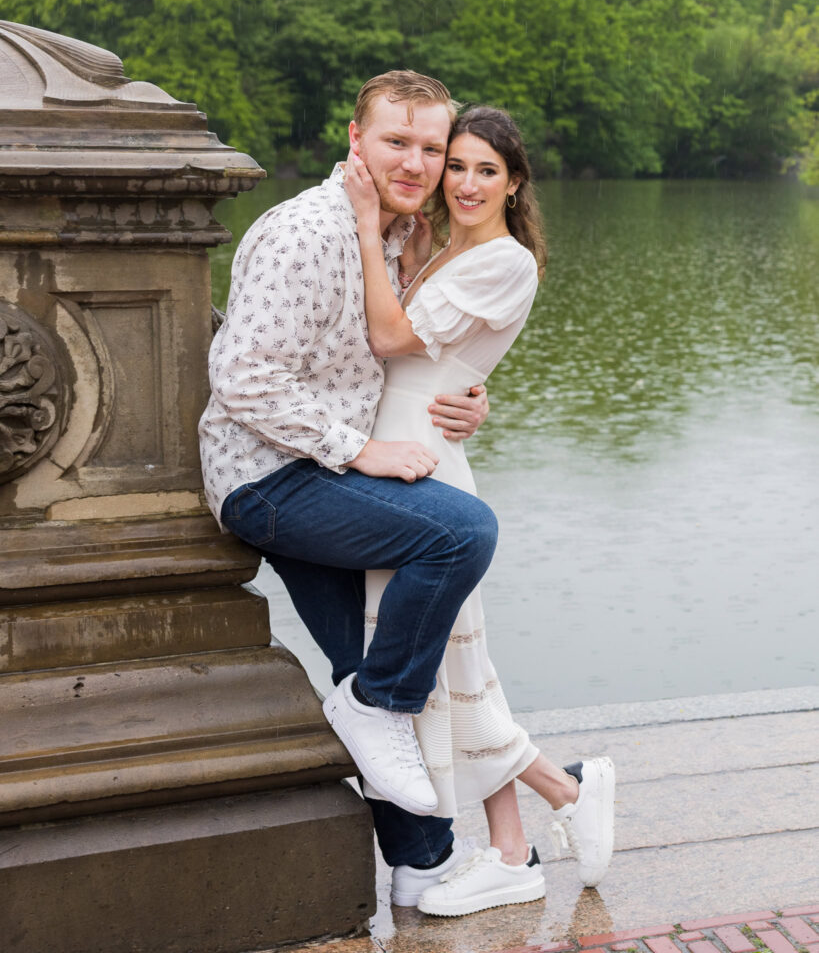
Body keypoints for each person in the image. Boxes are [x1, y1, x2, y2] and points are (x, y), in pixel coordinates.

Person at [199, 71, 501, 901]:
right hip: (267, 475)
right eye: (395, 142)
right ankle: (379, 706)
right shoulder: (304, 232)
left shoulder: (402, 236)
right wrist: (357, 449)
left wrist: (469, 396)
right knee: (461, 531)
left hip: (321, 469)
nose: (414, 162)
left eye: (431, 149)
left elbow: (409, 352)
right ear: (354, 139)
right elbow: (242, 380)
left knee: (360, 660)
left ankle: (421, 864)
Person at [343, 105, 615, 917]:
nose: (463, 182)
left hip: (423, 472)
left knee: (444, 666)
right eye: (454, 164)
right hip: (401, 456)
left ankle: (563, 798)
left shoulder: (505, 261)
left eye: (483, 170)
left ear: (514, 181)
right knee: (454, 666)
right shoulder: (443, 245)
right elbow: (441, 360)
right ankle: (517, 841)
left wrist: (364, 227)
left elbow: (392, 342)